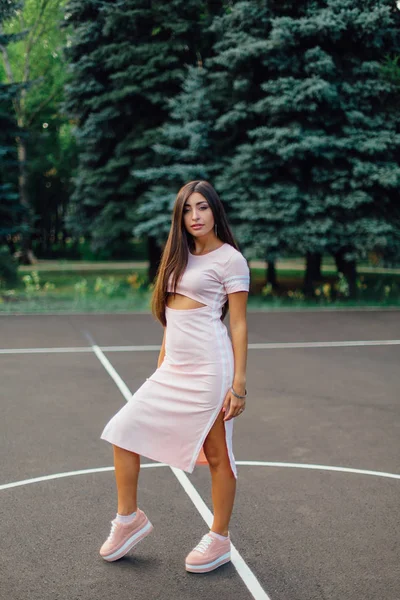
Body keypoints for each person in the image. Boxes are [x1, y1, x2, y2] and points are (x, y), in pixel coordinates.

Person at [99, 180, 249, 573]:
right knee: (122, 430)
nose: (195, 217)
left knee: (218, 455)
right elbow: (171, 320)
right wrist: (161, 364)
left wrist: (239, 385)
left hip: (210, 370)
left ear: (215, 210)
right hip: (174, 369)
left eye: (202, 207)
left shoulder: (230, 260)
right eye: (187, 209)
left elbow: (238, 325)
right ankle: (129, 519)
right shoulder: (177, 256)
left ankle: (219, 539)